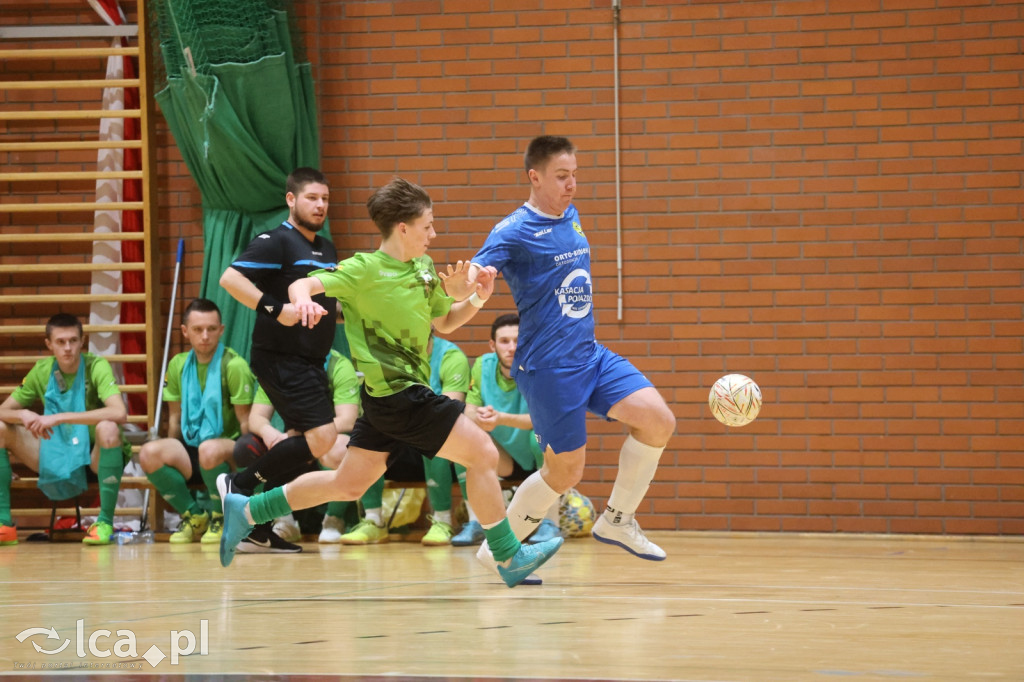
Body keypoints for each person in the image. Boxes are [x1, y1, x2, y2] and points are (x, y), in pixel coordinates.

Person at [218, 176, 563, 588]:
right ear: (403, 227)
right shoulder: (362, 269)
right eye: (427, 226)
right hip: (401, 395)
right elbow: (303, 282)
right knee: (483, 455)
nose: (434, 234)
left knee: (347, 484)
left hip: (387, 400)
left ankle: (248, 510)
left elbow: (445, 323)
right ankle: (507, 556)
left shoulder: (421, 268)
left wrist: (475, 298)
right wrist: (303, 298)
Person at [460, 135, 675, 565]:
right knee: (564, 472)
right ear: (534, 177)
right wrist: (469, 282)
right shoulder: (513, 230)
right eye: (562, 176)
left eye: (575, 175)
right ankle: (497, 549)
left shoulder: (569, 214)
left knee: (658, 421)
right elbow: (477, 269)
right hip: (548, 367)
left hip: (590, 354)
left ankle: (617, 519)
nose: (571, 184)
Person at [218, 167, 339, 549]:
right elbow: (231, 279)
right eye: (311, 198)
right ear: (291, 200)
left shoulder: (326, 248)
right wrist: (276, 309)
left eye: (324, 199)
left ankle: (252, 520)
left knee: (304, 443)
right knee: (323, 438)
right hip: (281, 357)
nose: (320, 205)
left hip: (310, 361)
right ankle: (238, 485)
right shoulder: (276, 241)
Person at [0, 313, 132, 545]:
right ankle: (4, 525)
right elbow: (3, 410)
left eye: (73, 340)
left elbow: (119, 412)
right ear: (49, 344)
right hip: (55, 452)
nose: (68, 348)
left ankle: (104, 523)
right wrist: (21, 414)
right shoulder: (41, 370)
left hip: (93, 458)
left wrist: (60, 418)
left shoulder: (96, 366)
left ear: (83, 341)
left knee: (108, 428)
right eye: (60, 342)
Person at [233, 347, 383, 547]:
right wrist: (272, 435)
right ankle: (282, 522)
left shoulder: (338, 365)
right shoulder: (278, 366)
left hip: (323, 443)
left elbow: (347, 420)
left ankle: (334, 519)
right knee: (248, 447)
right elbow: (256, 418)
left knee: (340, 448)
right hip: (292, 445)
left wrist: (311, 436)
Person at [138, 299, 254, 545]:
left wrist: (250, 476)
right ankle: (194, 515)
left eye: (211, 329)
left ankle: (220, 517)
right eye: (198, 329)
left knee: (208, 449)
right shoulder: (178, 365)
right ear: (185, 331)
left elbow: (246, 425)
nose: (205, 336)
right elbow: (175, 420)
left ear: (221, 330)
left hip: (228, 449)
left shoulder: (234, 365)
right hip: (194, 445)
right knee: (149, 452)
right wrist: (171, 456)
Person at [452, 312, 560, 547]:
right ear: (493, 345)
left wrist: (500, 418)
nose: (511, 347)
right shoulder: (482, 365)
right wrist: (480, 416)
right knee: (463, 443)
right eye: (504, 341)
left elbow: (541, 419)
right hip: (504, 456)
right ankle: (477, 522)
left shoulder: (541, 367)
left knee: (545, 436)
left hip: (537, 451)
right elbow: (468, 411)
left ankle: (551, 522)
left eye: (517, 340)